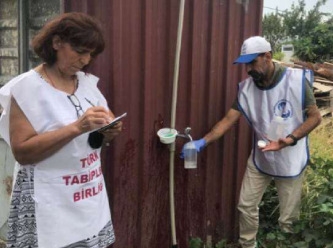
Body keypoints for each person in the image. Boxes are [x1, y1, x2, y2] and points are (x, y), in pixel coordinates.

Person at [182, 36, 322, 248]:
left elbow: (315, 117)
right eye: (246, 64)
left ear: (268, 56)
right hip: (262, 157)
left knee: (288, 219)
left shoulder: (295, 81)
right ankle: (248, 245)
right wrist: (202, 141)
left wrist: (289, 140)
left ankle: (289, 244)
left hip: (290, 158)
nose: (248, 69)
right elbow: (228, 119)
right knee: (245, 205)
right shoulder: (247, 89)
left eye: (252, 62)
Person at [0, 12, 122, 248]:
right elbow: (23, 153)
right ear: (56, 43)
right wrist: (77, 127)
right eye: (79, 51)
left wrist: (107, 132)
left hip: (87, 196)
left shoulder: (86, 84)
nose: (85, 60)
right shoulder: (27, 89)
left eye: (90, 54)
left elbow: (93, 138)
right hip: (47, 202)